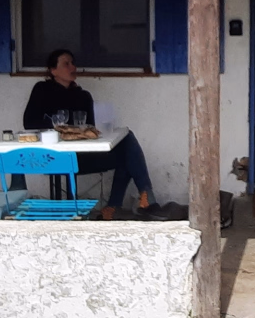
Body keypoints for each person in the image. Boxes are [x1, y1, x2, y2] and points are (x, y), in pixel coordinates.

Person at [22, 48, 157, 217]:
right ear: (53, 70)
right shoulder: (42, 90)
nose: (72, 67)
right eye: (66, 64)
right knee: (128, 156)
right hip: (53, 157)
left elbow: (91, 127)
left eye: (73, 63)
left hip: (81, 156)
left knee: (127, 145)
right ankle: (117, 206)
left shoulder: (82, 95)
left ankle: (138, 198)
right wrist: (59, 125)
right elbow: (28, 122)